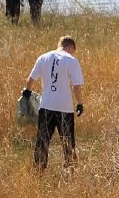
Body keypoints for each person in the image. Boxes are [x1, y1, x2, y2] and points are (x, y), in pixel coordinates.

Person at [23, 36, 84, 170]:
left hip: (46, 107)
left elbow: (30, 81)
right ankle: (69, 170)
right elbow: (77, 86)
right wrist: (80, 103)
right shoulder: (72, 60)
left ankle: (38, 171)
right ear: (70, 47)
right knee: (68, 142)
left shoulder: (43, 57)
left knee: (42, 141)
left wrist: (27, 92)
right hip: (65, 108)